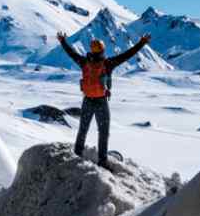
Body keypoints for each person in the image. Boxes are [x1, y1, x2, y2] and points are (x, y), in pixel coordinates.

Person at [55, 31, 152, 170]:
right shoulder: (108, 63)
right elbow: (127, 55)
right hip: (101, 101)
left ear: (91, 50)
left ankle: (77, 154)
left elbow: (71, 53)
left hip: (87, 100)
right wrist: (142, 43)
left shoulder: (84, 62)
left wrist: (63, 41)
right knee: (103, 132)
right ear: (102, 50)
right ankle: (102, 160)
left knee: (83, 129)